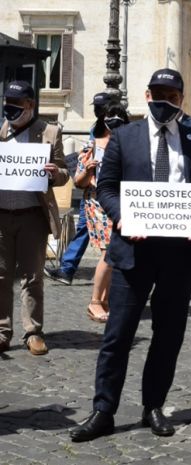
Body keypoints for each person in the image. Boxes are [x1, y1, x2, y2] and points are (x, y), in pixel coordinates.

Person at [70, 68, 191, 442]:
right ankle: (103, 410)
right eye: (157, 93)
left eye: (171, 96)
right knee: (117, 335)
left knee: (168, 335)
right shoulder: (124, 137)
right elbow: (106, 187)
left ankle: (153, 405)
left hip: (178, 253)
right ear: (146, 93)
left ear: (181, 99)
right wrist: (123, 217)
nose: (163, 101)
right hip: (132, 251)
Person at [0, 80, 69, 355]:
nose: (10, 109)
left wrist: (54, 173)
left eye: (16, 105)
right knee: (1, 275)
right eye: (7, 103)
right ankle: (2, 330)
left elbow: (65, 174)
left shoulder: (50, 132)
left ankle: (33, 332)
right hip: (1, 216)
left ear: (30, 105)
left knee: (32, 276)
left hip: (32, 216)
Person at [44, 92, 112, 285]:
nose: (96, 110)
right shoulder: (96, 128)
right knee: (84, 228)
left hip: (98, 188)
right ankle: (67, 269)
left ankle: (69, 269)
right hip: (91, 185)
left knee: (91, 232)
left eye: (99, 107)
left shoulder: (106, 127)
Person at [74, 102, 129, 322]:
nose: (114, 119)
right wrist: (87, 170)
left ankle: (106, 300)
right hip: (98, 201)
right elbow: (79, 182)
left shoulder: (127, 143)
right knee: (110, 250)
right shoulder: (92, 145)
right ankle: (95, 302)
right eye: (110, 115)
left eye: (119, 115)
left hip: (122, 201)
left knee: (118, 251)